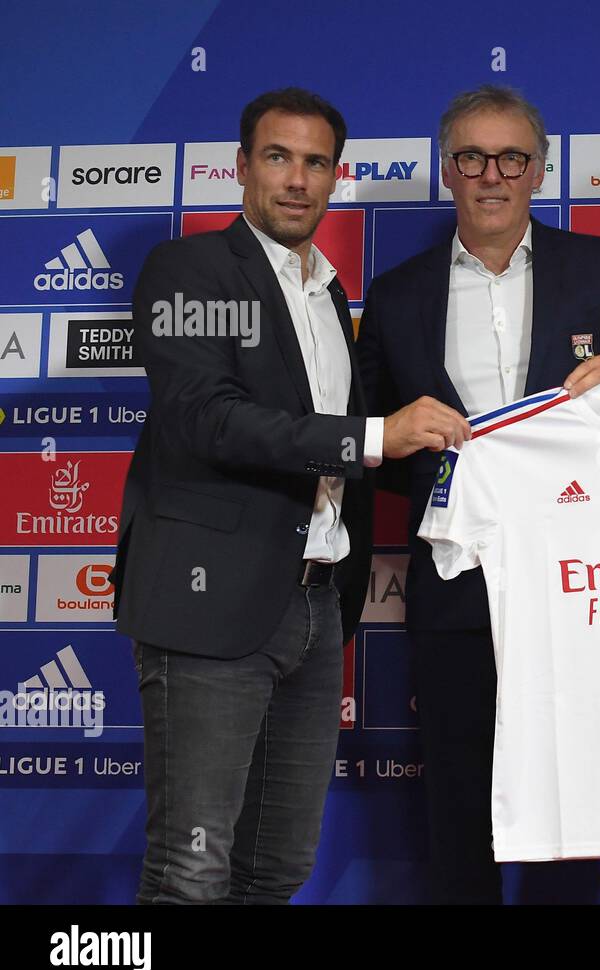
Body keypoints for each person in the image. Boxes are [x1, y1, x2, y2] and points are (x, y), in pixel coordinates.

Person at [115, 87, 439, 903]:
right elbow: (206, 419)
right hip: (207, 599)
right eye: (278, 156)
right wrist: (372, 436)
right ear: (241, 167)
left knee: (275, 868)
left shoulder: (329, 293)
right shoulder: (190, 268)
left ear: (336, 177)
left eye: (316, 162)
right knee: (190, 871)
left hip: (316, 607)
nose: (297, 179)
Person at [356, 85, 600, 904]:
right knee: (462, 799)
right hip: (459, 586)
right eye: (471, 156)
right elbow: (369, 440)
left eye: (512, 158)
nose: (491, 175)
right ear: (446, 168)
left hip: (590, 585)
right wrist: (429, 457)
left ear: (540, 170)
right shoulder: (395, 295)